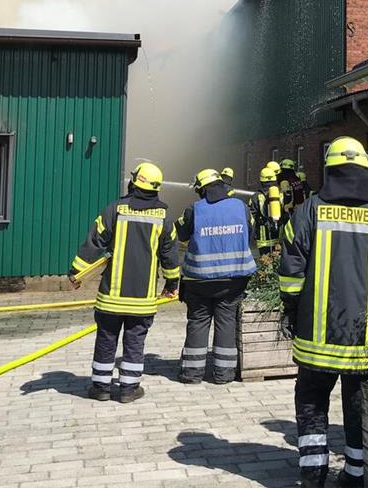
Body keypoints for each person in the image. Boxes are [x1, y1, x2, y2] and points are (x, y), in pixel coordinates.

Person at [279, 137, 368, 487]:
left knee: (311, 401)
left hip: (315, 337)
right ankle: (355, 475)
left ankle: (313, 474)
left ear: (329, 169)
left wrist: (292, 313)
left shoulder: (308, 212)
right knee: (358, 407)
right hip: (365, 340)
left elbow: (290, 276)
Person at [67, 161, 180, 403]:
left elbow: (94, 242)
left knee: (106, 338)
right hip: (143, 299)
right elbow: (170, 256)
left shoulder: (114, 210)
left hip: (111, 296)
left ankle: (100, 387)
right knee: (134, 341)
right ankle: (129, 389)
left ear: (135, 182)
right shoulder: (164, 217)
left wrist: (75, 273)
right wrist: (172, 285)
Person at [175, 168, 256, 384]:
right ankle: (224, 374)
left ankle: (192, 374)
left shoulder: (195, 209)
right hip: (234, 279)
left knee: (198, 321)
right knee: (226, 321)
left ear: (202, 189)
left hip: (199, 280)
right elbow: (251, 234)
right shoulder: (241, 207)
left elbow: (179, 234)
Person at [249, 166, 283, 252]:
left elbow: (251, 218)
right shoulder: (281, 194)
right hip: (279, 237)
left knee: (265, 263)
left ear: (261, 180)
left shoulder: (255, 196)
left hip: (263, 239)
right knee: (277, 262)